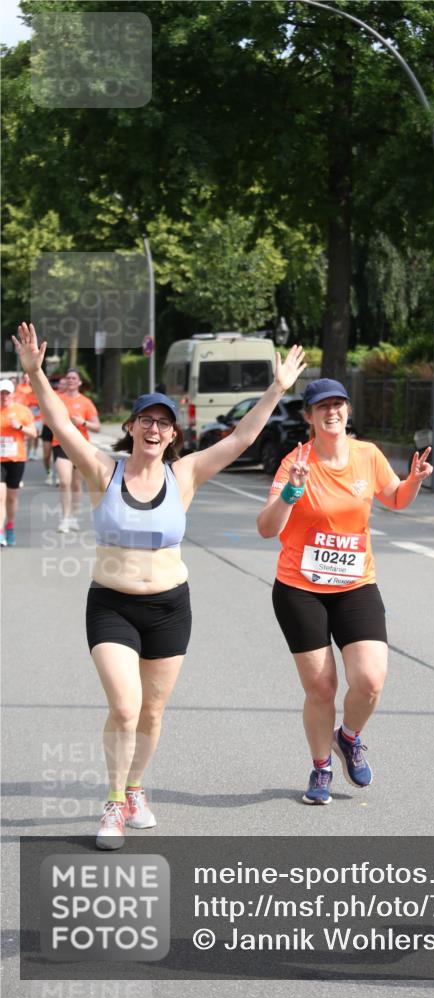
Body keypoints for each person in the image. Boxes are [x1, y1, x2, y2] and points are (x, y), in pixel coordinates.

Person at [14, 321, 305, 849]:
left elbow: (242, 437)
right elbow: (61, 422)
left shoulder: (185, 475)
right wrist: (36, 374)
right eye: (146, 420)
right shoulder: (105, 470)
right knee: (125, 706)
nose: (154, 429)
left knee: (151, 711)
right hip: (112, 606)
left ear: (173, 434)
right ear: (131, 427)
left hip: (171, 607)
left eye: (163, 423)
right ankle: (112, 804)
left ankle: (135, 788)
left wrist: (278, 387)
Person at [257, 378, 433, 805]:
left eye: (338, 404)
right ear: (309, 417)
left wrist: (414, 479)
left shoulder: (367, 455)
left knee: (370, 681)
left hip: (355, 585)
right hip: (300, 589)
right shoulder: (295, 462)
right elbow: (267, 528)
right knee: (321, 688)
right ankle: (321, 768)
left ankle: (349, 737)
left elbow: (394, 498)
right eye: (322, 407)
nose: (331, 412)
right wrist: (293, 491)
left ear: (347, 411)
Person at [50, 368, 100, 531]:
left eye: (74, 378)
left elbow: (97, 427)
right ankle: (64, 518)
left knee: (77, 485)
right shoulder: (57, 399)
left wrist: (82, 422)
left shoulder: (86, 402)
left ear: (79, 382)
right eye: (68, 378)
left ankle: (73, 516)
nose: (71, 380)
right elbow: (49, 418)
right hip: (61, 444)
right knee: (65, 482)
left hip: (80, 446)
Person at [1, 378, 38, 546]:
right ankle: (0, 532)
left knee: (11, 498)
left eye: (7, 393)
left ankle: (10, 526)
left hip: (16, 459)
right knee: (0, 497)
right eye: (1, 393)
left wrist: (20, 427)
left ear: (12, 394)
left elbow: (34, 433)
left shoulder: (22, 411)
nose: (4, 396)